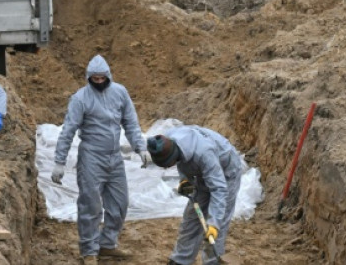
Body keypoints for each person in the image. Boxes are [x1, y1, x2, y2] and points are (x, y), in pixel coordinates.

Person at [50, 55, 150, 264]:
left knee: (120, 203)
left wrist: (140, 147)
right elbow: (68, 130)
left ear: (108, 76)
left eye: (101, 78)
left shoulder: (120, 93)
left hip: (115, 157)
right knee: (91, 205)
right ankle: (89, 250)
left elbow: (130, 122)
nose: (98, 82)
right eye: (94, 79)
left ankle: (107, 244)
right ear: (88, 78)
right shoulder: (80, 99)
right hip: (91, 157)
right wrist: (60, 162)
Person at [147, 126, 242, 265]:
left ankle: (212, 262)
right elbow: (182, 162)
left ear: (174, 155)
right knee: (191, 220)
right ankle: (181, 260)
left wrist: (214, 223)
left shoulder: (203, 153)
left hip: (226, 173)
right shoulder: (168, 140)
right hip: (201, 175)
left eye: (168, 165)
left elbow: (219, 189)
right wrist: (185, 180)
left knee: (214, 232)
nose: (168, 168)